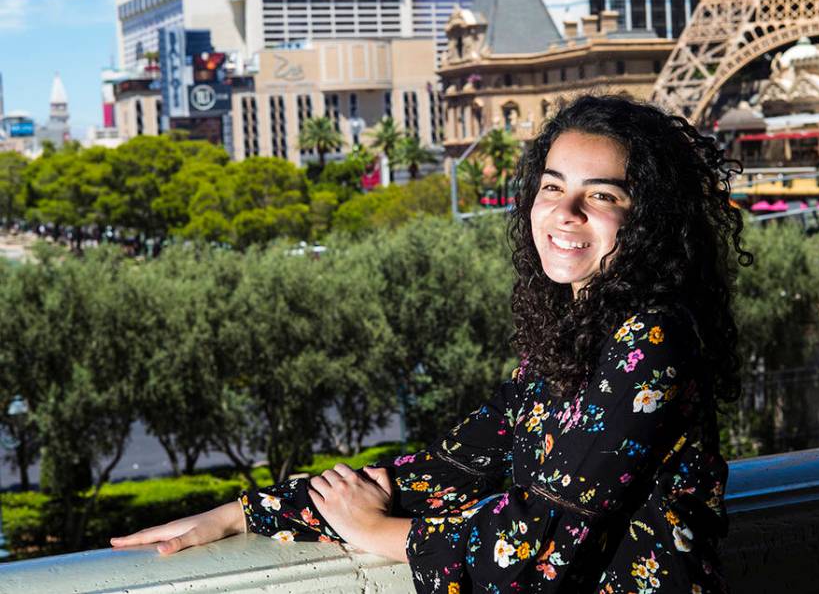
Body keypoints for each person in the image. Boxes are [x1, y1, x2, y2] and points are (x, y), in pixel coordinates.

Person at [111, 95, 751, 593]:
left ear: (648, 220)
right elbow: (453, 469)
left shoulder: (654, 336)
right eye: (552, 186)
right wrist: (245, 514)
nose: (565, 212)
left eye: (602, 195)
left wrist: (380, 532)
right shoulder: (573, 333)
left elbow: (544, 539)